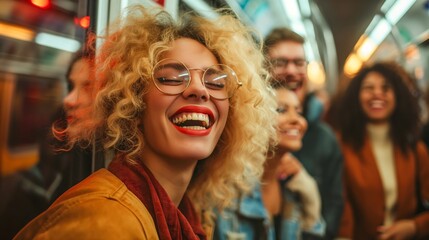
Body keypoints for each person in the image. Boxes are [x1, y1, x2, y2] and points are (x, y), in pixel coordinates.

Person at [14, 5, 277, 240]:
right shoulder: (104, 220)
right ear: (133, 103)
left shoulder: (183, 213)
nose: (199, 90)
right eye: (171, 78)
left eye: (216, 82)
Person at [0, 52, 94, 240]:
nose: (68, 99)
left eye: (87, 87)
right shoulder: (60, 135)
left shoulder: (92, 163)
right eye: (71, 86)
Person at [214, 86, 325, 239]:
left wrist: (311, 195)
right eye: (281, 110)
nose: (296, 120)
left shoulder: (294, 186)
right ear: (254, 119)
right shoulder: (226, 191)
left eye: (299, 112)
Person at [264, 27, 344, 239]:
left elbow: (334, 205)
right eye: (280, 63)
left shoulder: (325, 138)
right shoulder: (241, 136)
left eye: (299, 63)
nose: (291, 71)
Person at [336, 61, 429, 240]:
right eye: (369, 88)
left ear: (397, 97)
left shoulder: (416, 150)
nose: (377, 94)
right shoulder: (342, 146)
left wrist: (414, 226)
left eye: (386, 88)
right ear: (356, 97)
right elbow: (342, 208)